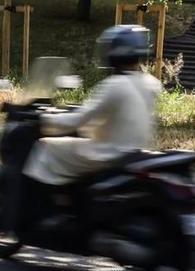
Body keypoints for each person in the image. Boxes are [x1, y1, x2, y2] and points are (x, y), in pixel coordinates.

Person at [25, 24, 161, 187]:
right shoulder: (151, 83)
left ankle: (43, 204)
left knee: (45, 148)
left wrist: (44, 120)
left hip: (107, 153)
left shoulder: (114, 84)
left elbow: (78, 120)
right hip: (135, 154)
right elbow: (116, 113)